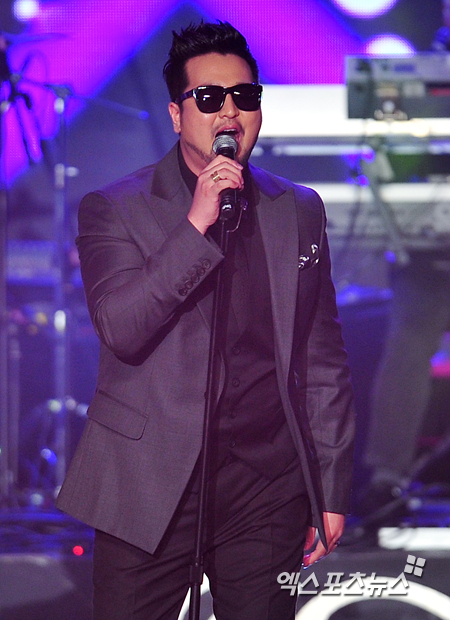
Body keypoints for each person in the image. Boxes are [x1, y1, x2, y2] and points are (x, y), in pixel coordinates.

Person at [56, 21, 355, 620]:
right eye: (210, 97)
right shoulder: (114, 208)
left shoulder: (298, 208)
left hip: (265, 484)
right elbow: (122, 327)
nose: (229, 112)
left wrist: (330, 485)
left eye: (244, 96)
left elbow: (321, 358)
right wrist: (196, 224)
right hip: (148, 484)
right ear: (176, 114)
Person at [360, 0, 450, 518]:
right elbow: (384, 154)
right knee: (408, 345)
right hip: (426, 247)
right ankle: (386, 478)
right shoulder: (414, 76)